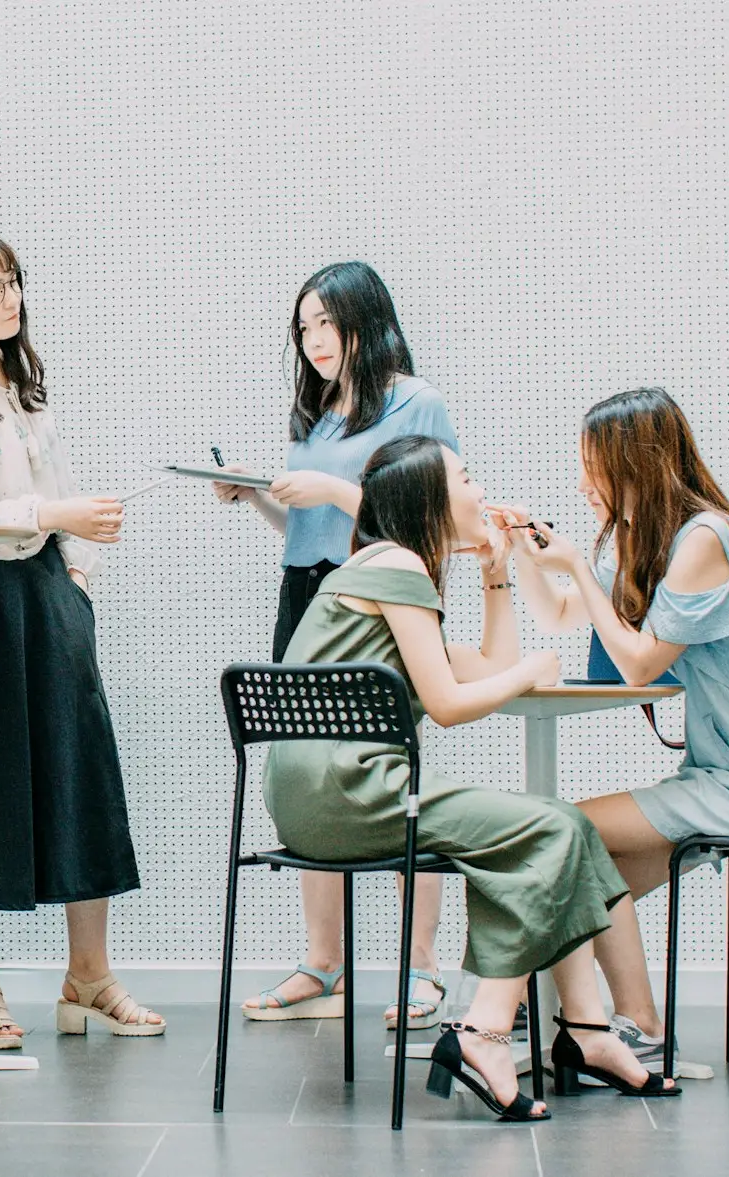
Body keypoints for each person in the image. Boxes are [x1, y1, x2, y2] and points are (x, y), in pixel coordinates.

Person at [265, 433, 680, 1121]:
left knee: (559, 829)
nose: (480, 492)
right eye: (466, 477)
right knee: (554, 826)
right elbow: (457, 704)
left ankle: (586, 1030)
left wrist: (495, 573)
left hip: (316, 799)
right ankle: (486, 1033)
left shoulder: (373, 568)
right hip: (356, 796)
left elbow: (486, 662)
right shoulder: (398, 565)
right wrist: (531, 671)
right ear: (429, 497)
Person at [501, 386, 729, 1067]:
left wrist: (574, 569)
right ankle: (632, 1029)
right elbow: (564, 614)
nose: (582, 482)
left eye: (592, 465)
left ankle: (575, 1020)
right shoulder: (643, 537)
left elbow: (640, 662)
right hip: (720, 775)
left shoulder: (706, 537)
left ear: (634, 462)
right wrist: (526, 560)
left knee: (569, 829)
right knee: (586, 868)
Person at [0, 224, 163, 1048]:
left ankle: (89, 975)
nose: (10, 299)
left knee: (78, 779)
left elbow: (65, 490)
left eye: (14, 281)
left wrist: (75, 577)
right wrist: (51, 518)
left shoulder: (22, 377)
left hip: (47, 595)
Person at [216, 262, 456, 1029]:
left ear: (366, 319)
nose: (313, 339)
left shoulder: (417, 402)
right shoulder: (316, 416)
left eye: (327, 322)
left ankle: (420, 970)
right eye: (303, 325)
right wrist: (256, 494)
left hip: (383, 594)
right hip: (309, 595)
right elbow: (307, 532)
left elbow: (426, 515)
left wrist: (329, 489)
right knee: (308, 773)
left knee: (392, 770)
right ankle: (324, 963)